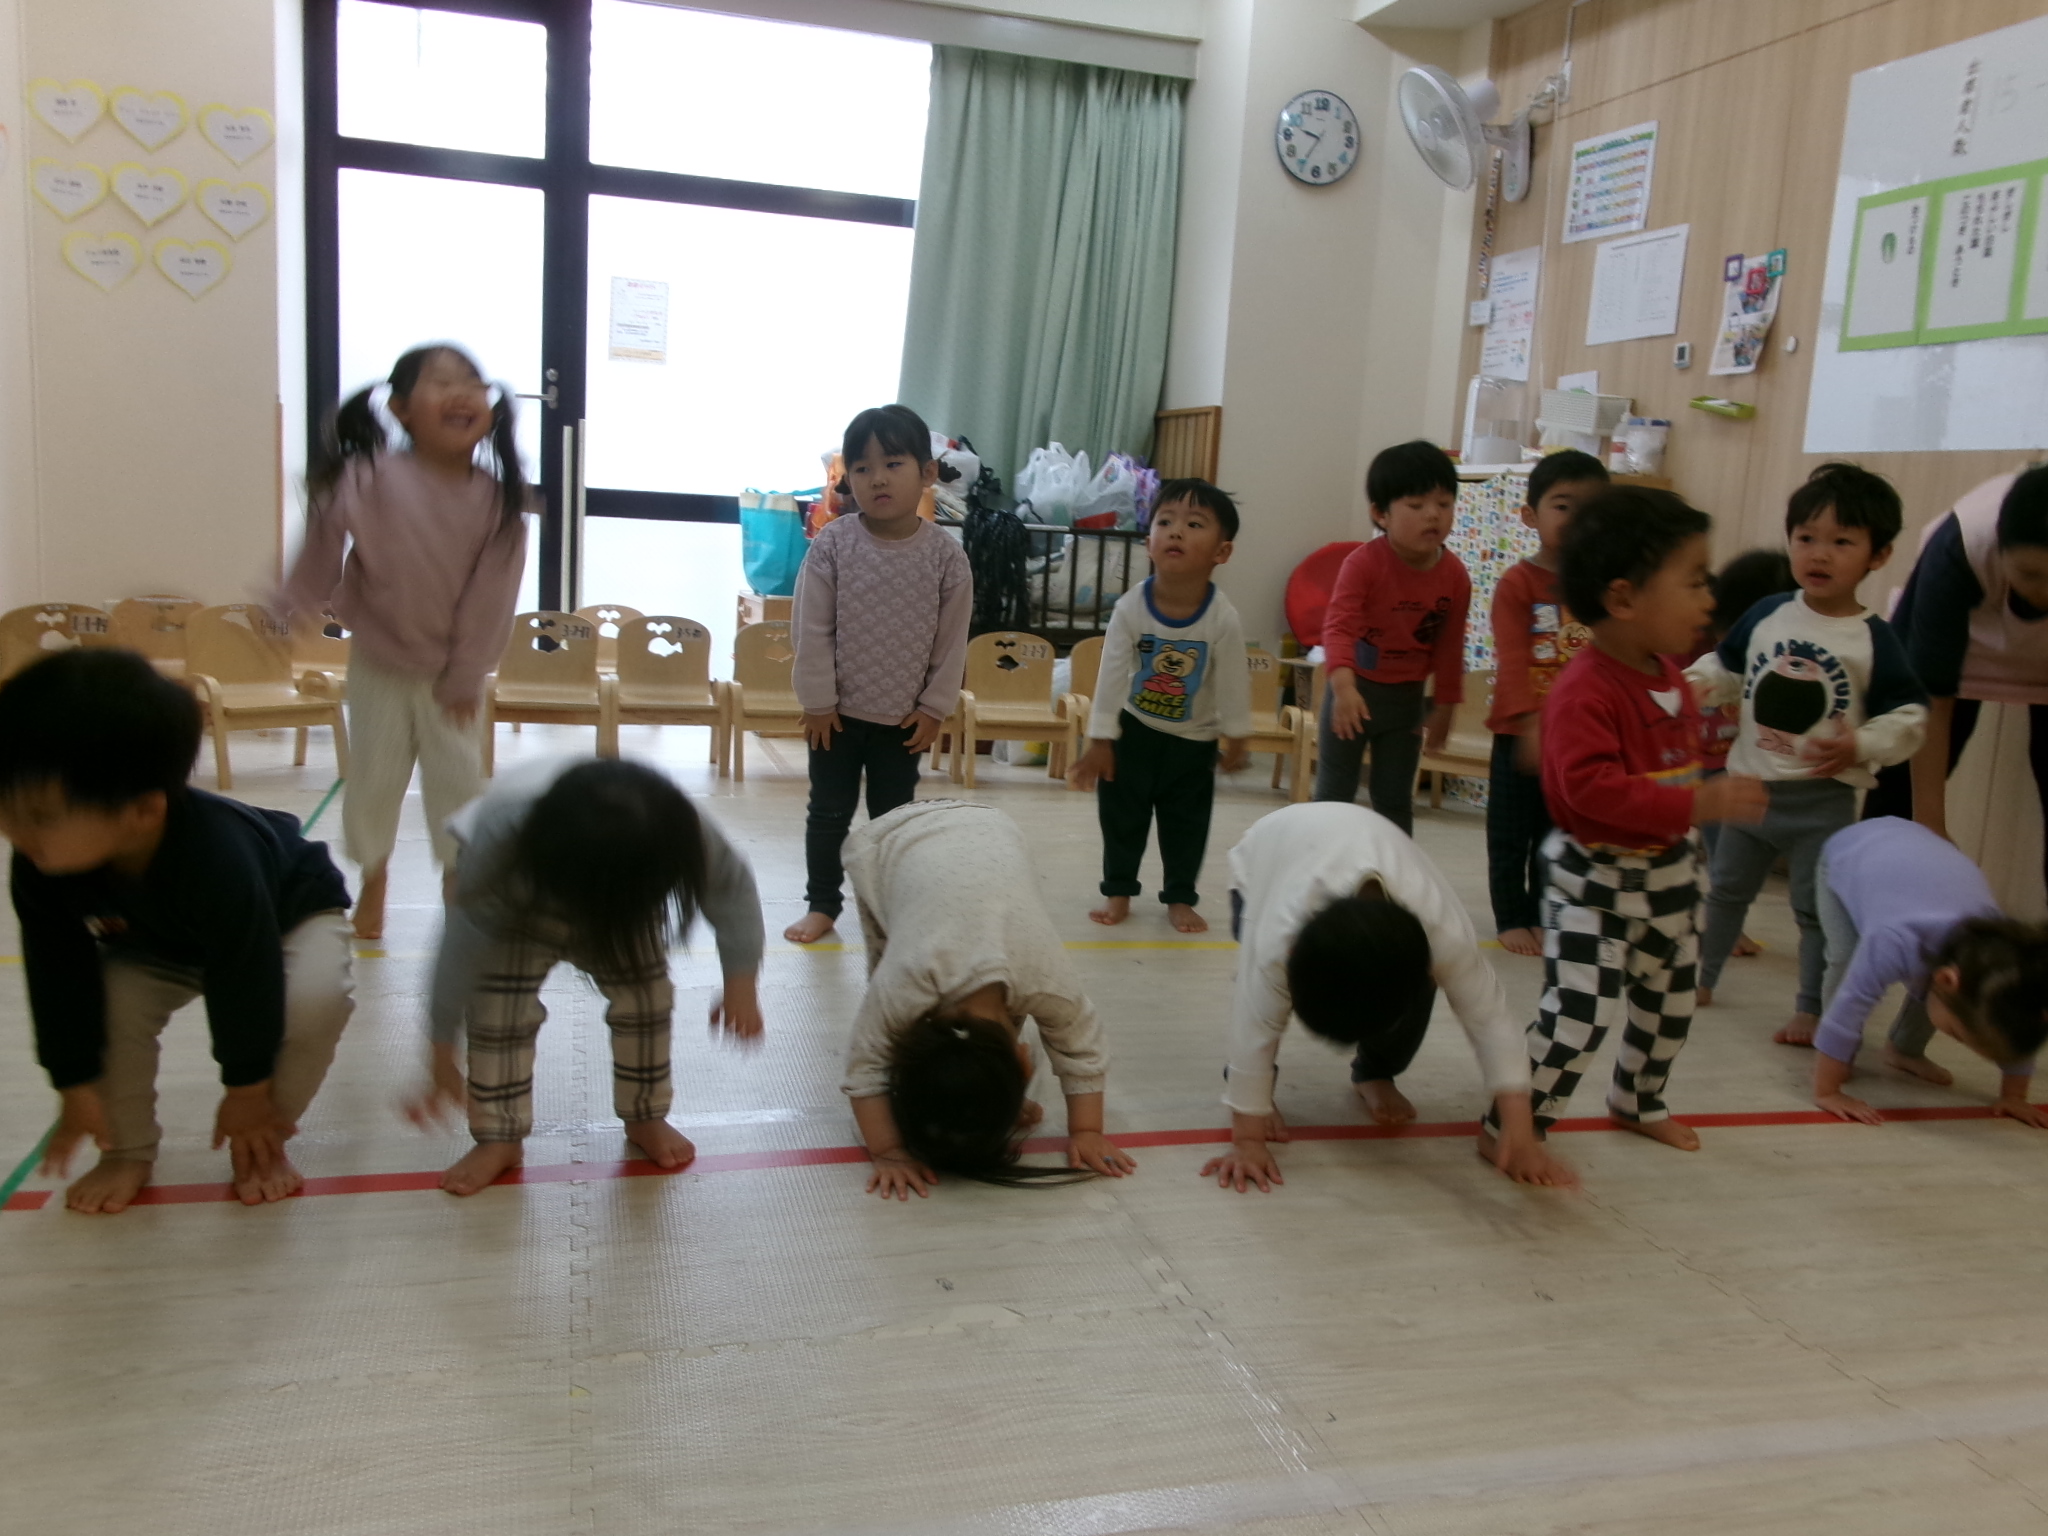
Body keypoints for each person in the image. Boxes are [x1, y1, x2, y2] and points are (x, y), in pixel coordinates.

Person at [0, 649, 354, 1213]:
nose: (15, 831)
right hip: (159, 938)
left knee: (314, 1000)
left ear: (143, 810)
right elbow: (57, 974)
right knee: (114, 1003)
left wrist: (246, 1090)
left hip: (286, 918)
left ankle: (261, 1140)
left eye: (41, 814)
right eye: (5, 806)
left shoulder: (217, 859)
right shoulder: (42, 861)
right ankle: (127, 1151)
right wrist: (73, 1082)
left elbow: (246, 973)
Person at [1485, 488, 1767, 1154]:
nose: (1708, 598)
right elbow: (1590, 792)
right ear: (1623, 599)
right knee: (1577, 1018)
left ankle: (1638, 1100)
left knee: (1669, 1010)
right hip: (1594, 887)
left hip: (1670, 883)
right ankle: (1513, 1125)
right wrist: (1697, 804)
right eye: (1694, 580)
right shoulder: (1585, 689)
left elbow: (1677, 758)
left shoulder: (1670, 674)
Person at [412, 757, 766, 1196]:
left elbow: (732, 887)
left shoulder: (675, 829)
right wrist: (441, 1049)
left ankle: (645, 1114)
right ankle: (499, 1136)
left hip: (621, 898)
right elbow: (459, 950)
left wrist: (740, 982)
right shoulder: (500, 849)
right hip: (520, 903)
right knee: (497, 1009)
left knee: (646, 998)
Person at [280, 343, 530, 942]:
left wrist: (466, 675)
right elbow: (320, 548)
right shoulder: (366, 478)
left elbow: (491, 602)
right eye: (440, 382)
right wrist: (290, 605)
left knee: (458, 782)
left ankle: (458, 881)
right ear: (399, 409)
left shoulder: (498, 503)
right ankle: (374, 878)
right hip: (380, 662)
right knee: (374, 777)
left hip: (451, 674)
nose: (461, 393)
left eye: (472, 382)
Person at [1201, 801, 1576, 1194]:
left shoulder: (1442, 933)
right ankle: (1260, 1091)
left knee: (1400, 991)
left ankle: (1375, 1071)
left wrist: (1519, 1133)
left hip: (1362, 847)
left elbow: (1492, 1021)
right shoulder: (1278, 936)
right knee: (1263, 992)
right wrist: (1248, 1139)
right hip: (1265, 855)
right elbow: (1252, 1021)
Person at [1688, 464, 1928, 1044]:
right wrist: (1694, 687)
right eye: (1806, 538)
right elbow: (1727, 666)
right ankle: (1698, 978)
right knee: (1724, 891)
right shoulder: (1768, 612)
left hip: (1823, 802)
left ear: (1879, 555)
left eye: (1842, 542)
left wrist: (1860, 743)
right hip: (1749, 788)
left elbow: (1911, 716)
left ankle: (1810, 1008)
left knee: (1816, 912)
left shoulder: (1875, 638)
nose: (1819, 554)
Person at [839, 800, 1134, 1198]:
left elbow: (1082, 1051)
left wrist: (1087, 1131)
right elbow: (867, 1068)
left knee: (928, 1016)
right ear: (1023, 1062)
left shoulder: (1042, 976)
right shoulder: (904, 979)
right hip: (888, 846)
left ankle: (981, 1087)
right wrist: (888, 1151)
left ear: (1023, 1062)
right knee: (890, 1007)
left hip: (989, 832)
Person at [785, 404, 972, 945]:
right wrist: (817, 701)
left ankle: (890, 906)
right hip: (836, 718)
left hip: (903, 721)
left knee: (893, 820)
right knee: (828, 813)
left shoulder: (946, 557)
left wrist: (935, 707)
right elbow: (811, 627)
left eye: (893, 464)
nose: (878, 479)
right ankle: (823, 904)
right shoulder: (834, 543)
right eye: (862, 468)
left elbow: (951, 642)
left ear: (927, 473)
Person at [1068, 479, 1252, 934]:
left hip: (1194, 741)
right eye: (1165, 522)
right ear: (1149, 543)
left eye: (1195, 524)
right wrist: (1101, 739)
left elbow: (1233, 680)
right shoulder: (1131, 608)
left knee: (1187, 824)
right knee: (1121, 816)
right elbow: (1112, 675)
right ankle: (1118, 890)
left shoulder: (1222, 617)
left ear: (1222, 552)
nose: (1176, 531)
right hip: (1135, 733)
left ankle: (1179, 897)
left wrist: (1237, 734)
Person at [1872, 467, 2048, 900]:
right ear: (2000, 548)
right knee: (1900, 785)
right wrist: (1930, 823)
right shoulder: (1961, 545)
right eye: (2030, 574)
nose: (2044, 592)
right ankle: (1862, 906)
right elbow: (1930, 698)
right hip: (1963, 630)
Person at [1808, 817, 2048, 1127]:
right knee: (1846, 960)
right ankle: (1841, 1053)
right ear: (1948, 979)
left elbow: (2023, 1016)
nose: (1955, 1037)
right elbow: (1852, 1002)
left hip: (1910, 858)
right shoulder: (1894, 939)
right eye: (1956, 1033)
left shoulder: (2002, 960)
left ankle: (1903, 1050)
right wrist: (1828, 1089)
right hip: (1846, 856)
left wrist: (2014, 1096)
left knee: (1940, 996)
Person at [1313, 439, 1470, 833]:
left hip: (1407, 702)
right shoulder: (1363, 564)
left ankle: (1392, 870)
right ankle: (1323, 863)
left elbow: (1450, 646)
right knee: (1334, 794)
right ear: (1380, 514)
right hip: (1353, 692)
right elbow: (1339, 627)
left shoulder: (1454, 576)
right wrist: (1343, 687)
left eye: (1444, 503)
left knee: (1395, 800)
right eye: (1416, 505)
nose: (1433, 515)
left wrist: (1446, 705)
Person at [1485, 449, 1607, 955]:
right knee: (1511, 833)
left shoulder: (1602, 588)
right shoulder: (1519, 583)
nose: (1577, 518)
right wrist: (1532, 723)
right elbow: (1514, 660)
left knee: (1558, 834)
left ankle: (1543, 913)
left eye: (1590, 508)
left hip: (1577, 738)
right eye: (1563, 505)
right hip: (1522, 733)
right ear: (1530, 516)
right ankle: (1511, 916)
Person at [1692, 549, 1801, 962]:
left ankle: (1724, 923)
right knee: (1719, 858)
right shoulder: (1707, 655)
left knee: (1735, 859)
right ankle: (1722, 926)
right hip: (1703, 767)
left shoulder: (1784, 661)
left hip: (1745, 769)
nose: (1728, 643)